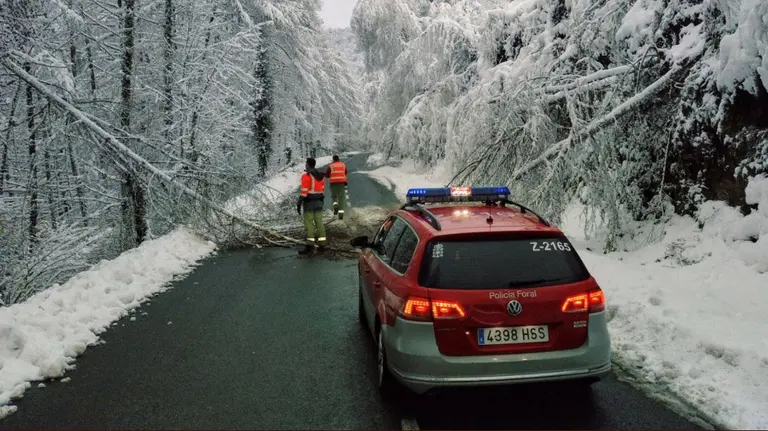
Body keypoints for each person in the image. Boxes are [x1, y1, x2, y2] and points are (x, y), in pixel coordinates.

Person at [297, 157, 326, 254]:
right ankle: (322, 245)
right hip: (319, 202)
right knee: (319, 223)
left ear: (308, 165)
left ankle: (310, 246)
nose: (305, 165)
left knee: (309, 224)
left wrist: (299, 203)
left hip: (309, 203)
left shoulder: (306, 176)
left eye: (306, 163)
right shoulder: (321, 176)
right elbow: (322, 189)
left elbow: (304, 192)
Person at [325, 155, 348, 220]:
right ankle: (341, 216)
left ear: (333, 160)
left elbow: (326, 175)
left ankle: (335, 206)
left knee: (334, 197)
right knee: (341, 199)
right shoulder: (343, 165)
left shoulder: (330, 166)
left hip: (333, 184)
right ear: (339, 159)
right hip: (341, 184)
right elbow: (345, 172)